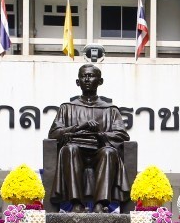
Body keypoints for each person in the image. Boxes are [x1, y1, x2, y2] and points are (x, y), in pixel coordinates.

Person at [47, 64, 131, 212]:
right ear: (77, 82)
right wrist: (78, 127)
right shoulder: (66, 108)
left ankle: (100, 205)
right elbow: (54, 134)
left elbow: (122, 135)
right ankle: (76, 204)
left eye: (91, 76)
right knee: (70, 149)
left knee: (109, 152)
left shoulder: (110, 110)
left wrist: (101, 134)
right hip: (74, 153)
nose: (87, 79)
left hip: (100, 153)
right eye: (83, 76)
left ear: (100, 81)